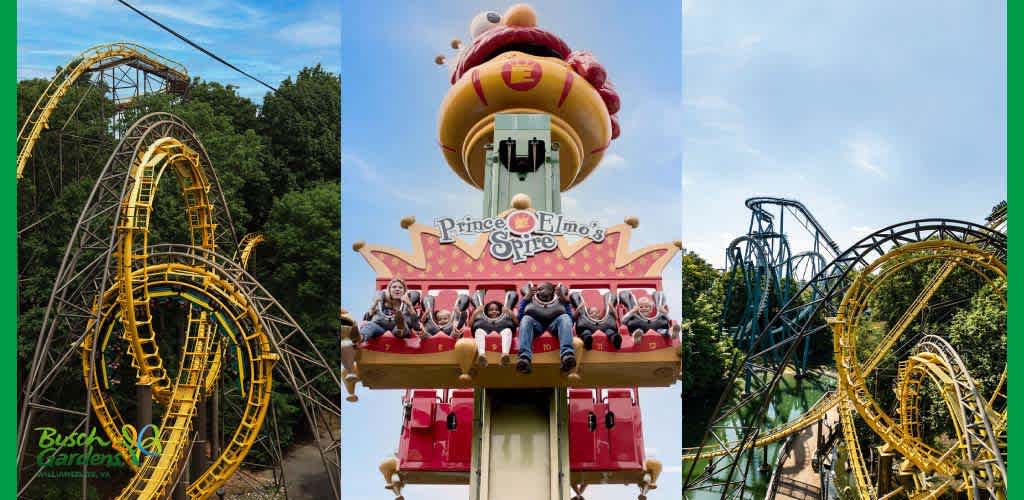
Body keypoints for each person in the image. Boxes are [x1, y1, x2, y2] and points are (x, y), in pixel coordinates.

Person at [517, 282, 575, 374]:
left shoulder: (559, 298)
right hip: (536, 326)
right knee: (526, 319)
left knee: (565, 318)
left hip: (554, 325)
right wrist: (525, 300)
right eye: (538, 289)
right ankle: (524, 358)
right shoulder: (530, 298)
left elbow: (570, 321)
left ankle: (567, 355)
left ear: (551, 290)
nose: (538, 291)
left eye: (541, 289)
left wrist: (564, 300)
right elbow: (519, 319)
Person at [359, 278, 423, 341]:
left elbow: (415, 325)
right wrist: (375, 303)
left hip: (399, 329)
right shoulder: (382, 303)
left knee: (402, 325)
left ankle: (400, 329)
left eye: (400, 288)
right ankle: (360, 337)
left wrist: (409, 304)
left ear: (404, 291)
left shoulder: (407, 305)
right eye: (394, 287)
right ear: (389, 290)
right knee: (370, 326)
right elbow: (367, 318)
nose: (397, 289)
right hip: (381, 327)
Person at [470, 300, 516, 367]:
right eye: (491, 310)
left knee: (507, 331)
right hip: (485, 329)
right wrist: (475, 313)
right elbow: (469, 325)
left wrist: (510, 313)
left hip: (502, 329)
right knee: (479, 331)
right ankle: (482, 355)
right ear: (486, 312)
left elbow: (517, 323)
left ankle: (505, 354)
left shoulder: (505, 319)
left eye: (496, 310)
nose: (494, 311)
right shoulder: (482, 320)